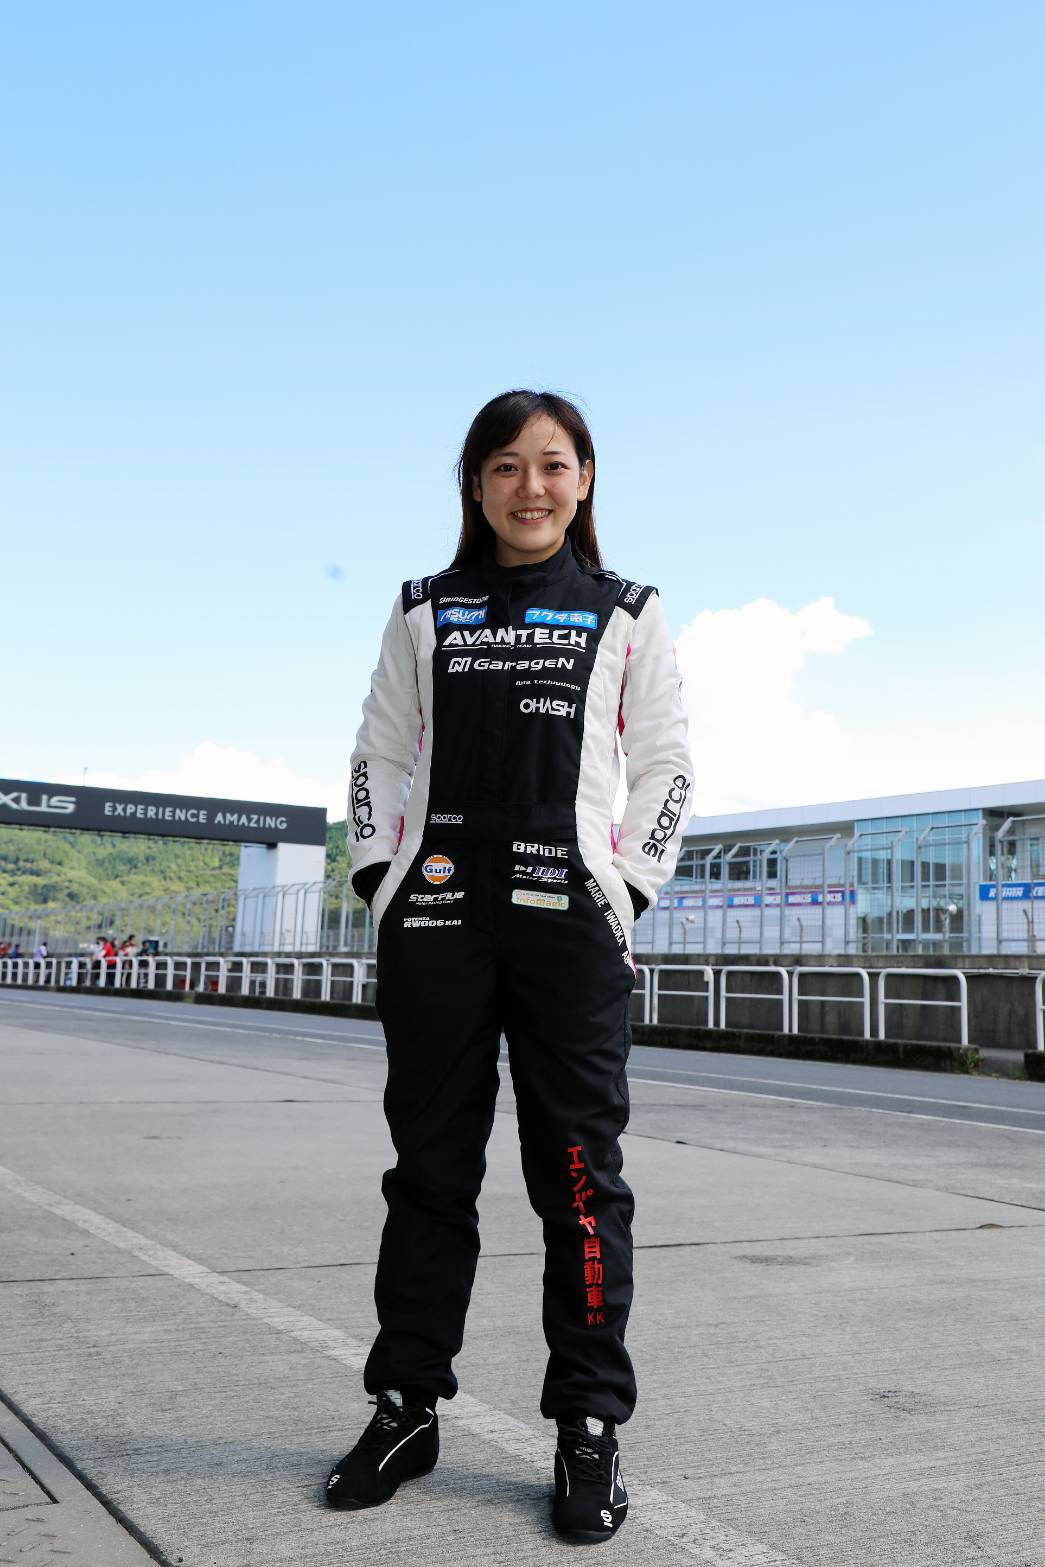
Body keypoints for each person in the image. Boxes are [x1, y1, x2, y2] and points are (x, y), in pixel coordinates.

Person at [325, 390, 692, 1541]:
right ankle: (406, 1407)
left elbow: (668, 766)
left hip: (569, 926)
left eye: (552, 463)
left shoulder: (626, 610)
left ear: (584, 479)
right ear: (474, 485)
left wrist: (625, 888)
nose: (530, 486)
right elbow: (378, 751)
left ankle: (587, 1424)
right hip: (437, 921)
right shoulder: (422, 607)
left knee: (578, 1179)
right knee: (429, 1173)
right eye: (504, 465)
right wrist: (381, 879)